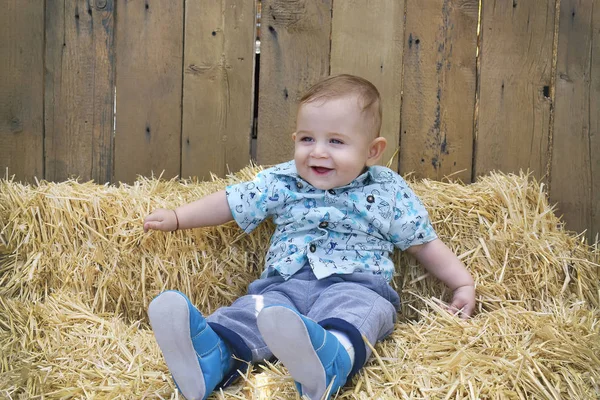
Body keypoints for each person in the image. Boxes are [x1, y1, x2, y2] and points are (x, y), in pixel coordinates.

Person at [143, 74, 476, 400]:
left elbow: (424, 242)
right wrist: (176, 218)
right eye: (307, 139)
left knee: (360, 313)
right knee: (254, 311)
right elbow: (233, 201)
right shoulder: (283, 180)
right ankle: (210, 356)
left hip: (356, 285)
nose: (317, 152)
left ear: (372, 151)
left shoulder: (387, 190)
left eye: (335, 141)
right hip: (284, 287)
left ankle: (330, 359)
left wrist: (462, 283)